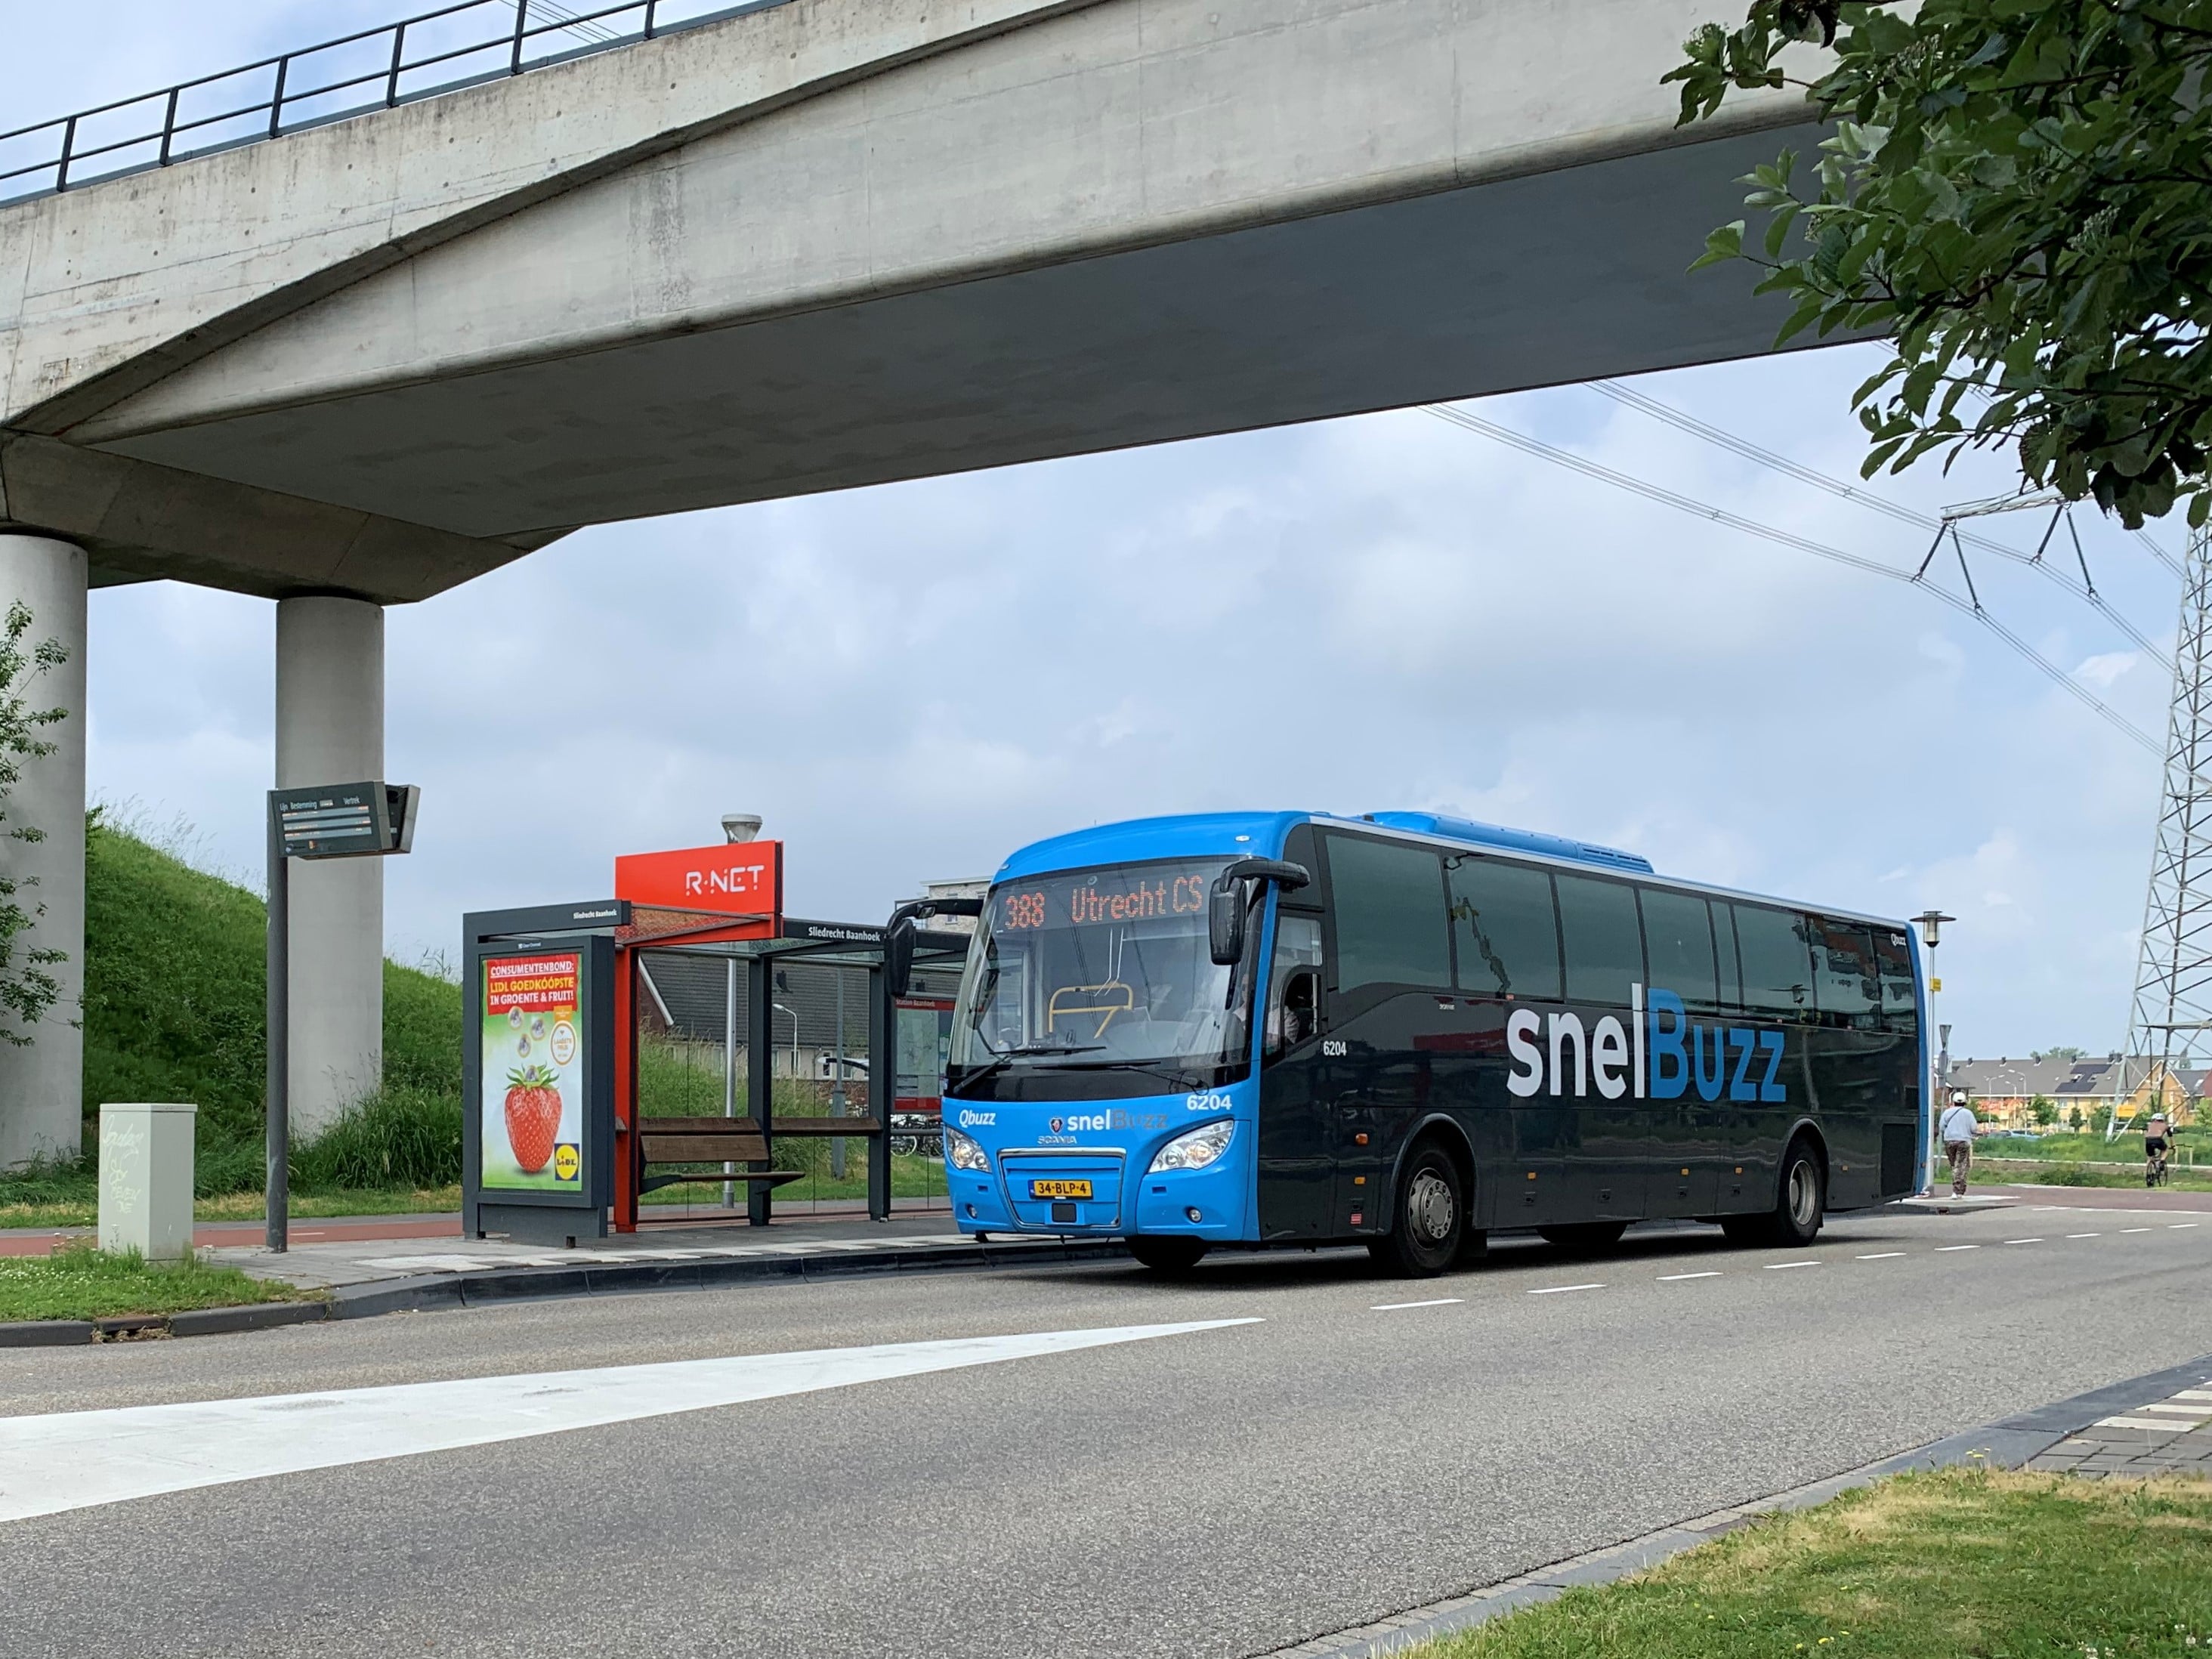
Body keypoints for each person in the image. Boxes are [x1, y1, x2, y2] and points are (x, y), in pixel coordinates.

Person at [1939, 1090, 1978, 1199]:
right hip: (1964, 1141)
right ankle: (1958, 1191)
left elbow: (1941, 1127)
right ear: (1965, 1102)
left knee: (1954, 1165)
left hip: (1949, 1141)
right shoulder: (1968, 1113)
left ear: (1953, 1101)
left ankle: (1957, 1188)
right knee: (1961, 1165)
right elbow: (1974, 1128)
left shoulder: (1947, 1113)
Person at [2145, 1111, 2172, 1188]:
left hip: (2148, 1141)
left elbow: (2148, 1133)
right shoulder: (2165, 1126)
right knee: (2165, 1149)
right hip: (2158, 1140)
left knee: (2150, 1157)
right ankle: (2162, 1162)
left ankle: (2148, 1174)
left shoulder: (2149, 1125)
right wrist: (2173, 1146)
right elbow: (2170, 1137)